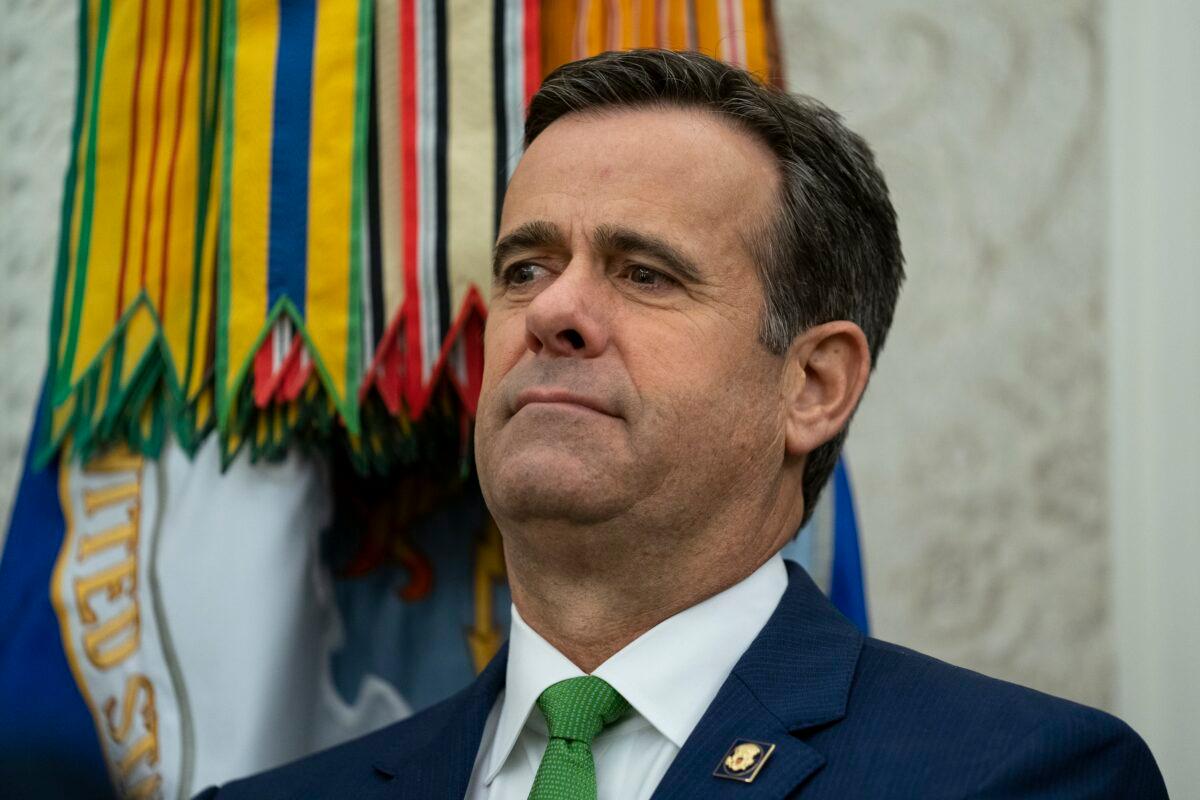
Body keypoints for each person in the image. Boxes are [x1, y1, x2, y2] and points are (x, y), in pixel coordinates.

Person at [196, 49, 1166, 799]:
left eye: (644, 271)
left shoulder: (1021, 776)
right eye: (525, 267)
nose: (550, 311)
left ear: (815, 385)